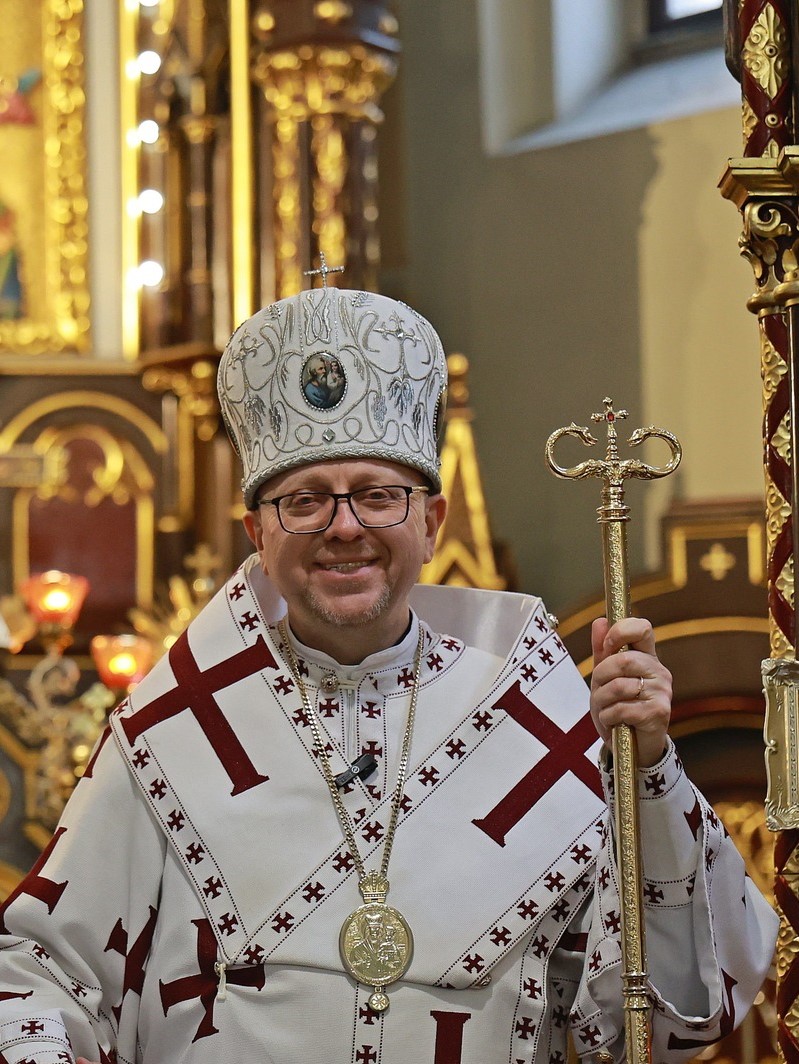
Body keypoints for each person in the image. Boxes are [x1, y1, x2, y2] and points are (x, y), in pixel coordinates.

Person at [0, 284, 778, 1064]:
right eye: (303, 501)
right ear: (257, 533)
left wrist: (648, 768)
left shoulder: (537, 716)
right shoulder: (172, 728)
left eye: (379, 495)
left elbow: (679, 1015)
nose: (344, 528)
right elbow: (43, 971)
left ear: (431, 523)